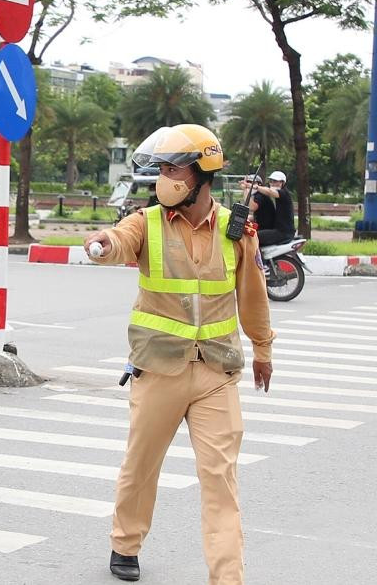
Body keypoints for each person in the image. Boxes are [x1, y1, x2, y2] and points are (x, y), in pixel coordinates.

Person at [84, 124, 275, 583]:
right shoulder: (146, 222)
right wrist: (101, 245)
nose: (164, 178)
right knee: (141, 465)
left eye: (173, 169)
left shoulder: (235, 231)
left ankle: (227, 577)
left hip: (216, 372)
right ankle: (125, 543)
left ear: (201, 173)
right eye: (162, 169)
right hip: (159, 369)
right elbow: (116, 241)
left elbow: (253, 295)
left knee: (221, 480)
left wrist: (263, 348)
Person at [243, 170, 294, 246]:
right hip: (278, 230)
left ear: (282, 183)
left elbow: (269, 192)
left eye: (275, 181)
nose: (272, 183)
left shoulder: (284, 193)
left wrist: (251, 187)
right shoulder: (277, 196)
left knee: (253, 236)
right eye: (271, 181)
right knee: (247, 233)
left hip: (283, 232)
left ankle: (256, 258)